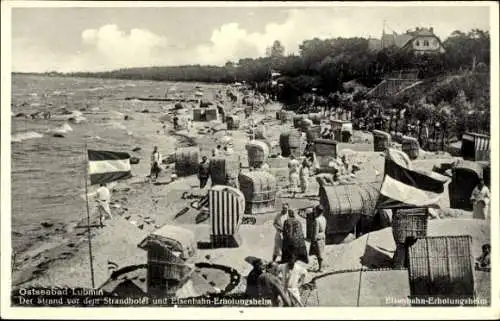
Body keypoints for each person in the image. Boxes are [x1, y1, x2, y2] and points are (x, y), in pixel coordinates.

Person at [309, 205, 327, 272]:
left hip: (318, 237)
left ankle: (320, 268)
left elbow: (315, 232)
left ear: (317, 211)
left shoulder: (317, 220)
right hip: (323, 236)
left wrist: (313, 240)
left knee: (319, 254)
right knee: (321, 252)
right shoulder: (324, 218)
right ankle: (321, 267)